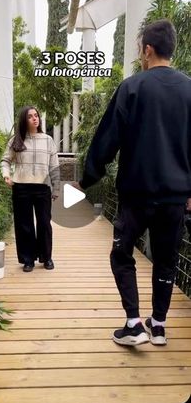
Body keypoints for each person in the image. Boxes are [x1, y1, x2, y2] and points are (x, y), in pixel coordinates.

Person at [76, 19, 191, 346]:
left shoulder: (133, 88)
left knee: (122, 254)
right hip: (175, 198)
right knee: (167, 260)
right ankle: (158, 325)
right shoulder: (190, 90)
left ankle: (134, 322)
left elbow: (107, 138)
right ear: (173, 49)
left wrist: (88, 177)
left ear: (147, 50)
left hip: (135, 195)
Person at [1, 106, 60, 272]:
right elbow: (5, 160)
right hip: (21, 188)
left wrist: (56, 189)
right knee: (24, 224)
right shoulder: (16, 140)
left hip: (42, 188)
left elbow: (54, 166)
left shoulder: (48, 140)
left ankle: (46, 257)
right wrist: (6, 175)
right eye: (30, 116)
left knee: (44, 223)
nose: (35, 118)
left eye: (36, 115)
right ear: (24, 120)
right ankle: (28, 260)